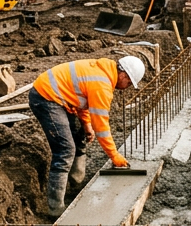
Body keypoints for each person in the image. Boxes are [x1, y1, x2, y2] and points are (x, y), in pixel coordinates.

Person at [28, 54, 146, 215]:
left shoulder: (104, 71)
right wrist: (114, 155)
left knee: (79, 135)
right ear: (123, 75)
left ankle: (76, 185)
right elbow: (102, 127)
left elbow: (82, 99)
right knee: (65, 150)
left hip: (60, 97)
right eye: (129, 83)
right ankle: (55, 209)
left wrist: (86, 124)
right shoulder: (102, 85)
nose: (128, 86)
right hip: (46, 98)